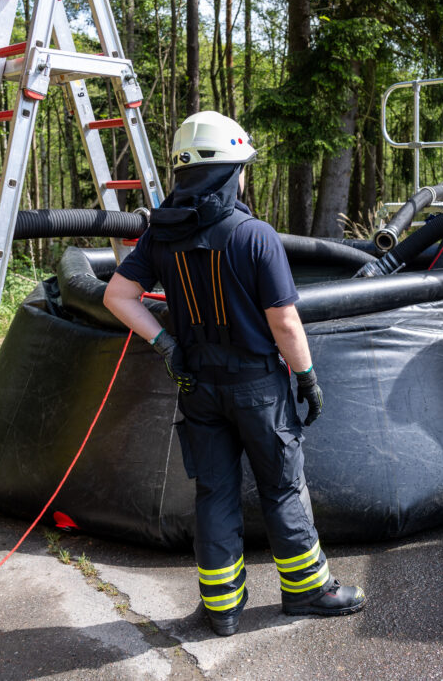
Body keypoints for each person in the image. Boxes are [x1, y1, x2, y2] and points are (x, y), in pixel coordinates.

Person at [102, 111, 365, 636]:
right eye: (241, 166)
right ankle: (309, 591)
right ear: (227, 171)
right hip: (258, 388)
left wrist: (166, 344)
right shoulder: (254, 235)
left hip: (197, 385)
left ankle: (221, 608)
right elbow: (285, 322)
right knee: (283, 487)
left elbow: (116, 295)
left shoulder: (161, 235)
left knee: (214, 493)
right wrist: (307, 378)